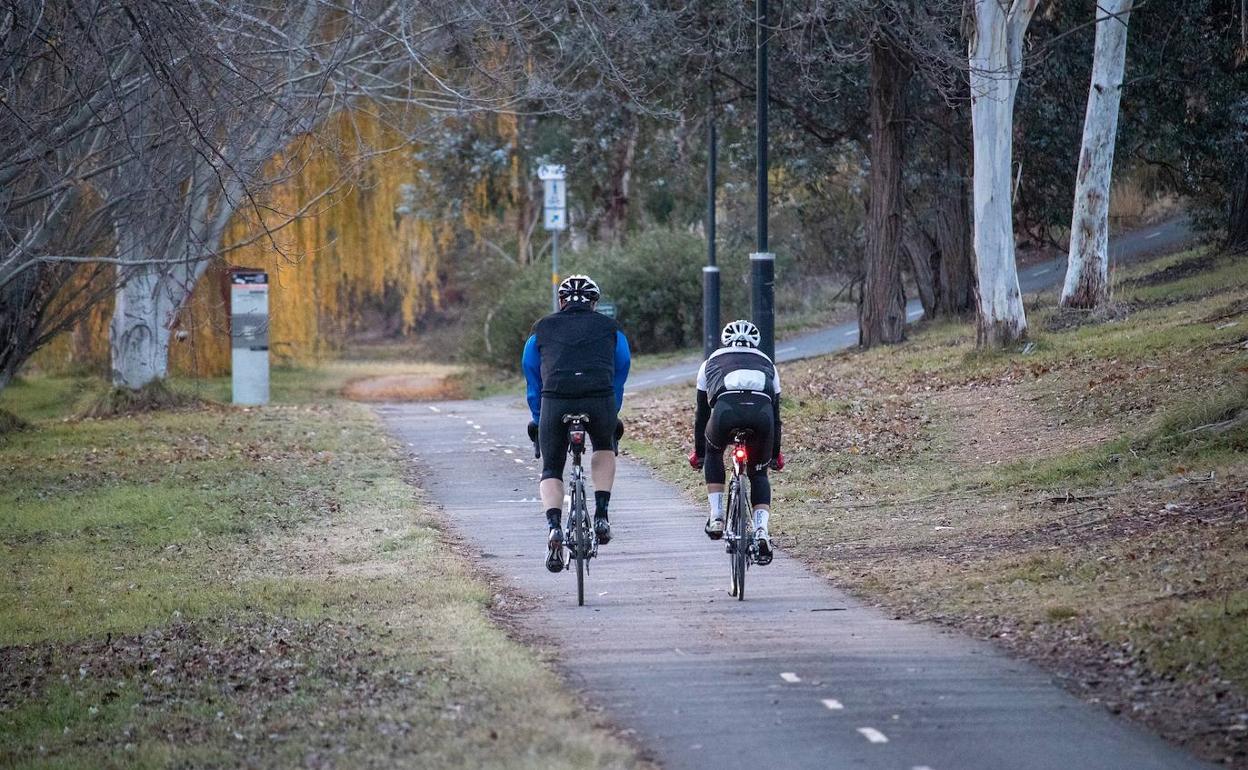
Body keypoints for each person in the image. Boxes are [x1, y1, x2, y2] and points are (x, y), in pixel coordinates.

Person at [522, 275, 631, 573]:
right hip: (599, 399)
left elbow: (532, 377)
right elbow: (620, 371)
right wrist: (612, 411)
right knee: (604, 447)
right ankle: (601, 515)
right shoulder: (612, 330)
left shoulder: (540, 330)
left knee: (552, 468)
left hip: (555, 400)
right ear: (595, 304)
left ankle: (554, 526)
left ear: (561, 301)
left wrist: (537, 416)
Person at [688, 320, 784, 565]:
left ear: (725, 341)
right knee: (759, 473)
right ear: (755, 342)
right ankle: (761, 530)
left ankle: (717, 515)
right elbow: (776, 415)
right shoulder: (767, 363)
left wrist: (700, 453)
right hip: (761, 417)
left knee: (714, 452)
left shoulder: (710, 362)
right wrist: (774, 455)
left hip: (725, 414)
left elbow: (701, 414)